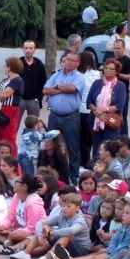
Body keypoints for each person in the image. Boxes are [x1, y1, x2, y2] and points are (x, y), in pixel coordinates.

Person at [10, 192, 91, 259]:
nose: (64, 208)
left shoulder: (80, 219)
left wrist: (52, 232)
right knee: (45, 228)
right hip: (63, 245)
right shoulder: (61, 217)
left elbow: (72, 230)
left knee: (67, 235)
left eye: (68, 206)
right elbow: (40, 223)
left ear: (77, 208)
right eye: (63, 206)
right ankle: (26, 253)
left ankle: (46, 258)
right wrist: (39, 235)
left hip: (80, 250)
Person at [43, 51, 85, 184]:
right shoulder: (56, 75)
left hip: (70, 117)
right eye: (68, 59)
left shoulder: (79, 77)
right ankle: (50, 173)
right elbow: (45, 90)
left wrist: (55, 88)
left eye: (73, 60)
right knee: (50, 145)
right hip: (54, 116)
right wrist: (61, 89)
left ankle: (73, 177)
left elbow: (73, 88)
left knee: (72, 147)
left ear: (78, 63)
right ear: (64, 60)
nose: (70, 62)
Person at [0, 173, 46, 253]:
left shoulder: (33, 203)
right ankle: (6, 242)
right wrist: (2, 226)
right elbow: (9, 218)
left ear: (24, 187)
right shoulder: (16, 196)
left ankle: (9, 244)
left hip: (31, 233)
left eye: (17, 181)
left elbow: (31, 228)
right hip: (16, 229)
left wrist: (12, 232)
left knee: (16, 234)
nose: (14, 183)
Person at [86, 58, 126, 161]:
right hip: (95, 120)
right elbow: (89, 101)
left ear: (116, 71)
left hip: (111, 122)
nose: (107, 70)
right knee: (96, 148)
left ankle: (108, 174)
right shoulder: (97, 83)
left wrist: (104, 110)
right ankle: (96, 170)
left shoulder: (120, 86)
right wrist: (97, 112)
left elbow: (119, 105)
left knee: (109, 149)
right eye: (106, 68)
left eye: (111, 68)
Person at [0, 56, 24, 153]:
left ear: (10, 67)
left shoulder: (17, 80)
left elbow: (3, 95)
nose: (4, 68)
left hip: (10, 110)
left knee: (8, 138)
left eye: (5, 66)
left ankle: (12, 161)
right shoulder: (5, 80)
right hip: (0, 110)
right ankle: (1, 160)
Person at [79, 51, 101, 166]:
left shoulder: (79, 75)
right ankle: (93, 161)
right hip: (93, 109)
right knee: (92, 138)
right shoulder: (98, 74)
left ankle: (84, 162)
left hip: (82, 109)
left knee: (82, 139)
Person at [18, 40, 47, 131]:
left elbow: (43, 82)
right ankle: (12, 145)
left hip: (34, 101)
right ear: (23, 49)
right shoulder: (17, 63)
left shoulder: (39, 65)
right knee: (14, 126)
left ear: (34, 50)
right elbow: (11, 80)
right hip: (19, 100)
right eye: (26, 48)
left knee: (34, 128)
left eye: (31, 48)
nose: (28, 50)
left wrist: (39, 97)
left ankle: (34, 144)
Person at [112, 39, 130, 136]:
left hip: (123, 93)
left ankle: (124, 143)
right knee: (112, 118)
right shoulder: (111, 60)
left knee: (122, 118)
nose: (116, 50)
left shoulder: (129, 61)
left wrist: (117, 74)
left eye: (119, 48)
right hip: (110, 92)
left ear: (124, 48)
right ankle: (114, 140)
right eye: (115, 48)